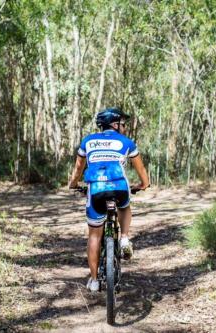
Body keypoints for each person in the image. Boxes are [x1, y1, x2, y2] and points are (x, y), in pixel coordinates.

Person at [68, 107, 150, 292]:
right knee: (124, 205)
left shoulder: (88, 141)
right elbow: (141, 169)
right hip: (119, 188)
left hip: (95, 189)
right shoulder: (126, 142)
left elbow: (78, 169)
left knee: (94, 236)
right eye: (123, 123)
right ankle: (124, 238)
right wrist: (144, 184)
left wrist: (73, 184)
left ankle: (95, 281)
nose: (124, 127)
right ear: (115, 124)